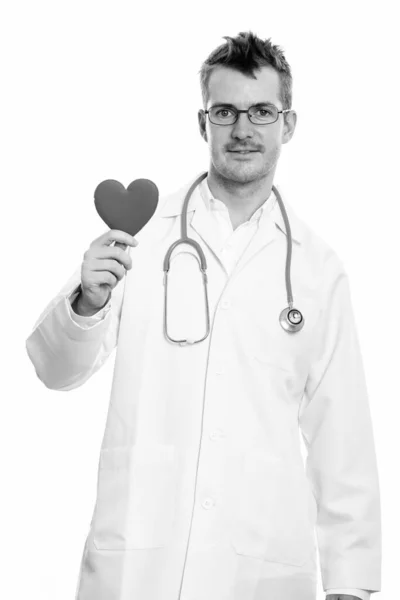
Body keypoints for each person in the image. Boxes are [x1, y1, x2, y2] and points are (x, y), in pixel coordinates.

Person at [25, 31, 381, 600]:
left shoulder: (318, 269)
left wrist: (353, 584)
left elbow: (344, 436)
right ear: (203, 122)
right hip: (138, 568)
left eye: (262, 111)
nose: (243, 129)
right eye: (226, 111)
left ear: (288, 124)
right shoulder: (141, 234)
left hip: (261, 567)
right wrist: (86, 304)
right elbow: (54, 370)